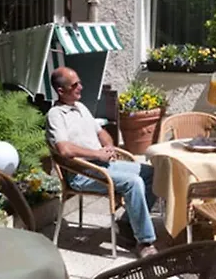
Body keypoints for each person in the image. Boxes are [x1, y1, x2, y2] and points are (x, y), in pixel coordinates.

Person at [45, 66, 158, 258]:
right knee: (133, 182)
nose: (81, 87)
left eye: (80, 82)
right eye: (75, 85)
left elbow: (101, 132)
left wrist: (109, 147)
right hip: (82, 173)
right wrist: (97, 154)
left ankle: (126, 224)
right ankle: (145, 242)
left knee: (151, 174)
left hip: (102, 165)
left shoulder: (81, 107)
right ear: (61, 91)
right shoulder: (55, 115)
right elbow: (64, 149)